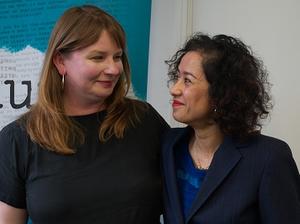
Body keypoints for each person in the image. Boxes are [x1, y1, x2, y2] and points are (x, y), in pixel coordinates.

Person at [0, 5, 169, 224]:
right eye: (98, 57)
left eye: (117, 57)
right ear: (60, 62)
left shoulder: (144, 120)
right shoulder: (19, 139)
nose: (114, 69)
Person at [161, 33, 300, 224]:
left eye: (187, 80)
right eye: (177, 77)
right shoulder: (168, 145)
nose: (174, 89)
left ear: (221, 93)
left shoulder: (269, 158)